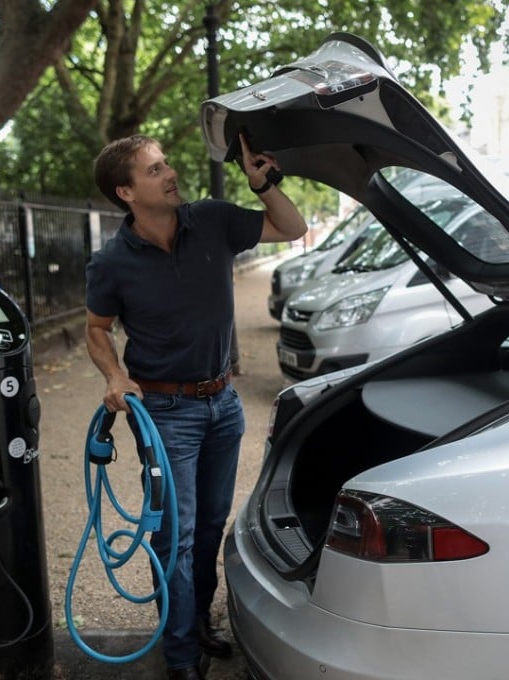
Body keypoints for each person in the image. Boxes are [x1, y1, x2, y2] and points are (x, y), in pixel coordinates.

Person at [85, 133, 307, 680]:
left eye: (165, 164)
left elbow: (291, 228)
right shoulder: (112, 261)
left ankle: (197, 622)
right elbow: (96, 328)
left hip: (223, 404)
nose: (170, 173)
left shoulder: (210, 220)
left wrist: (265, 184)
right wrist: (115, 374)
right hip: (164, 415)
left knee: (209, 527)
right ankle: (181, 656)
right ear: (126, 191)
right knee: (174, 537)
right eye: (154, 169)